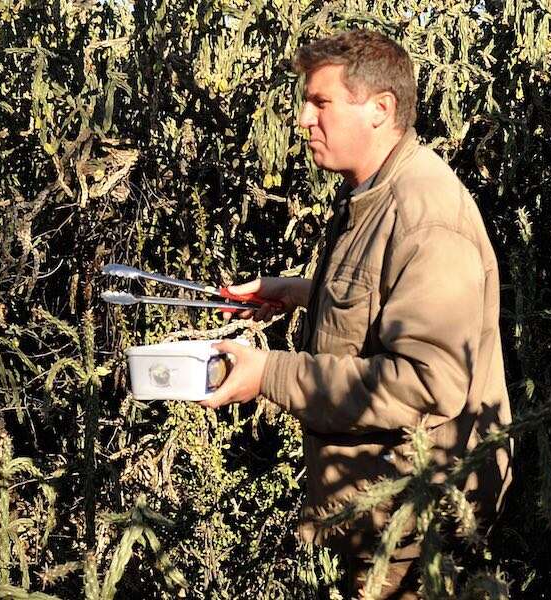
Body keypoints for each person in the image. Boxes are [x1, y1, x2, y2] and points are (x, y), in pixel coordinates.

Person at [199, 30, 513, 599]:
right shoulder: (371, 194)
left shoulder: (424, 215)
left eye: (320, 103)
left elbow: (425, 382)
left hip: (415, 534)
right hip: (381, 521)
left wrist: (268, 374)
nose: (303, 120)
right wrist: (298, 292)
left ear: (380, 109)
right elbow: (380, 302)